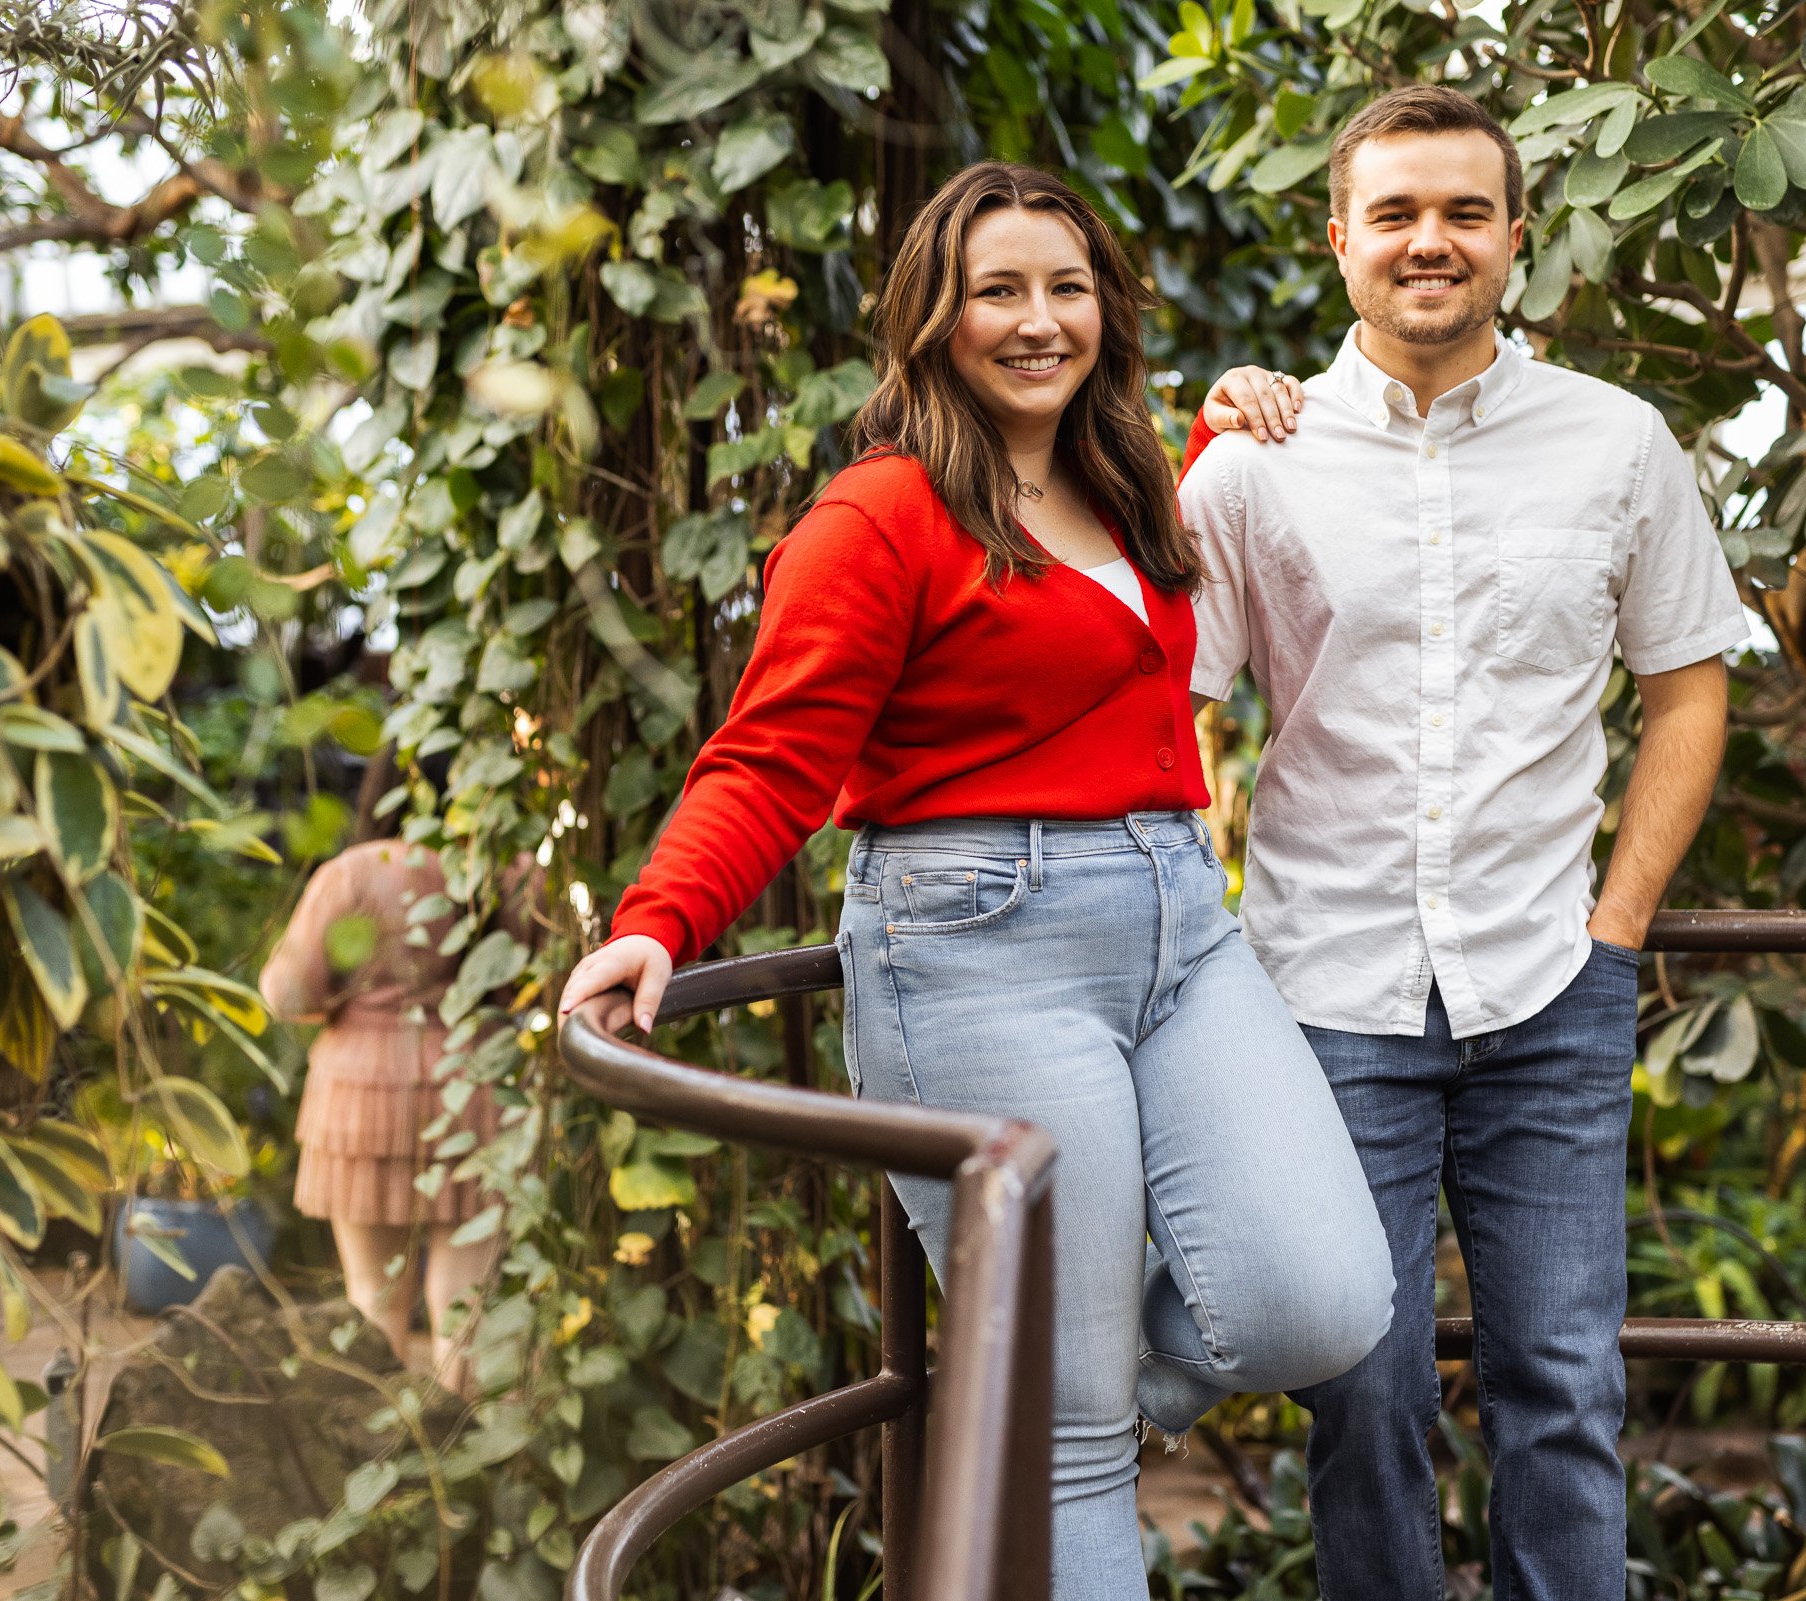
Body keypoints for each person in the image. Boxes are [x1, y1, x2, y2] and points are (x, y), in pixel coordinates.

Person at [558, 161, 1396, 1601]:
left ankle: (1058, 1372)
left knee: (1321, 1300)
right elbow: (768, 757)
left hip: (1181, 926)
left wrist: (1223, 416)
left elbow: (1120, 641)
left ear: (1105, 310)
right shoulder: (877, 517)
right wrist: (659, 925)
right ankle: (1053, 1402)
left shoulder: (1124, 474)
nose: (1036, 321)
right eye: (995, 291)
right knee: (1065, 1442)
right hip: (976, 944)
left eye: (1065, 288)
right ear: (929, 319)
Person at [1178, 87, 1744, 1601]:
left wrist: (1616, 929)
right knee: (1357, 1387)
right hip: (1320, 993)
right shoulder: (1250, 464)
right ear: (1341, 239)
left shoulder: (1618, 445)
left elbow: (1689, 687)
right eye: (1396, 214)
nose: (1431, 242)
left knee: (1563, 1382)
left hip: (1549, 987)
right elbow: (1165, 704)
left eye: (1464, 214)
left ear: (1513, 239)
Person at [260, 753, 505, 1389]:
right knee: (465, 1308)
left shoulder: (351, 874)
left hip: (359, 1095)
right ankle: (462, 1452)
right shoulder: (495, 870)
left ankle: (382, 1450)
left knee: (373, 1295)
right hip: (468, 1087)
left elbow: (290, 995)